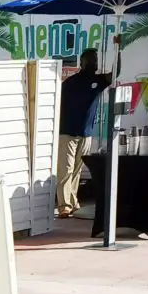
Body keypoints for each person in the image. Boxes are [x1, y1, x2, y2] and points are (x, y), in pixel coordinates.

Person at [56, 44, 121, 219]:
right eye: (91, 61)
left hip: (86, 133)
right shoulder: (70, 83)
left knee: (77, 169)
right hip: (67, 132)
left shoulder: (98, 81)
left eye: (96, 60)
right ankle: (64, 205)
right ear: (82, 63)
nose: (95, 64)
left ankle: (72, 200)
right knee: (66, 169)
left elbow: (115, 74)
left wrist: (118, 49)